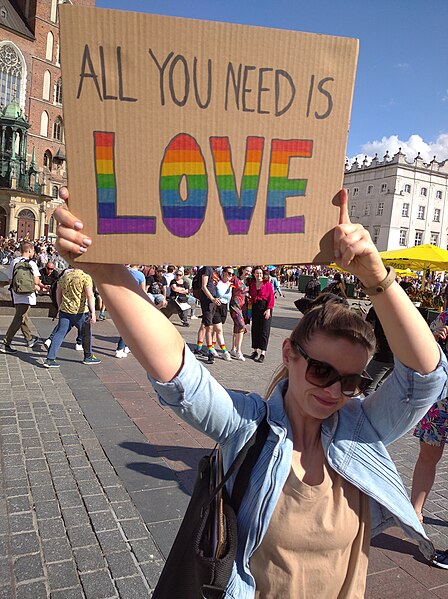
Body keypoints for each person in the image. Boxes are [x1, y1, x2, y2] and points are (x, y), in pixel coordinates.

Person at [54, 187, 448, 596]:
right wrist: (107, 272)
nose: (335, 391)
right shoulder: (251, 425)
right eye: (321, 370)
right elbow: (181, 376)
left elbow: (426, 376)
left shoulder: (360, 429)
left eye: (351, 381)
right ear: (290, 354)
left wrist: (374, 274)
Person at [411, 310, 448, 523]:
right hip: (440, 401)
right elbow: (419, 354)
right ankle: (415, 511)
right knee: (428, 455)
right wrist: (434, 339)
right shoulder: (443, 319)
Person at [43, 268, 101, 368]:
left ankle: (50, 358)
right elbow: (90, 295)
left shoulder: (65, 276)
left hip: (65, 310)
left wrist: (59, 306)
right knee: (86, 333)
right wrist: (93, 313)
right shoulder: (85, 277)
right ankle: (88, 356)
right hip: (81, 312)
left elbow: (58, 292)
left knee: (59, 333)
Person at [2, 240, 41, 352]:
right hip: (28, 295)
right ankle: (6, 343)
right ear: (29, 250)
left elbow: (10, 280)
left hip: (16, 293)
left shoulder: (14, 262)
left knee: (22, 316)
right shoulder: (32, 263)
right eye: (33, 250)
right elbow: (36, 281)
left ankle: (29, 339)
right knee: (19, 318)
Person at [116, 265, 146, 358]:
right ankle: (120, 349)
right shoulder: (140, 275)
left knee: (127, 325)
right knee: (130, 327)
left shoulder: (123, 272)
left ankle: (126, 346)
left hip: (123, 299)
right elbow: (143, 290)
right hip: (134, 301)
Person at [363, 306, 394, 394]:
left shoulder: (376, 309)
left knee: (367, 387)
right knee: (380, 386)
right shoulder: (401, 308)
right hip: (397, 355)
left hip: (382, 354)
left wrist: (364, 320)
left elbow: (369, 330)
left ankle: (374, 408)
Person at [248, 267, 275, 363]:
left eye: (260, 273)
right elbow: (251, 296)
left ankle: (263, 353)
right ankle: (255, 351)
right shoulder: (252, 284)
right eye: (257, 273)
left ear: (263, 275)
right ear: (254, 274)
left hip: (265, 307)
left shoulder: (267, 284)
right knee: (255, 329)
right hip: (255, 307)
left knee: (264, 330)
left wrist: (268, 309)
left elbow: (271, 298)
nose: (259, 275)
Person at [229, 265, 252, 361]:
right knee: (241, 326)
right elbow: (228, 288)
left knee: (237, 327)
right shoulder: (235, 279)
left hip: (243, 307)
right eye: (247, 270)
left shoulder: (249, 282)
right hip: (234, 306)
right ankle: (239, 351)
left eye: (250, 271)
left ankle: (233, 349)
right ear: (242, 270)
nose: (248, 273)